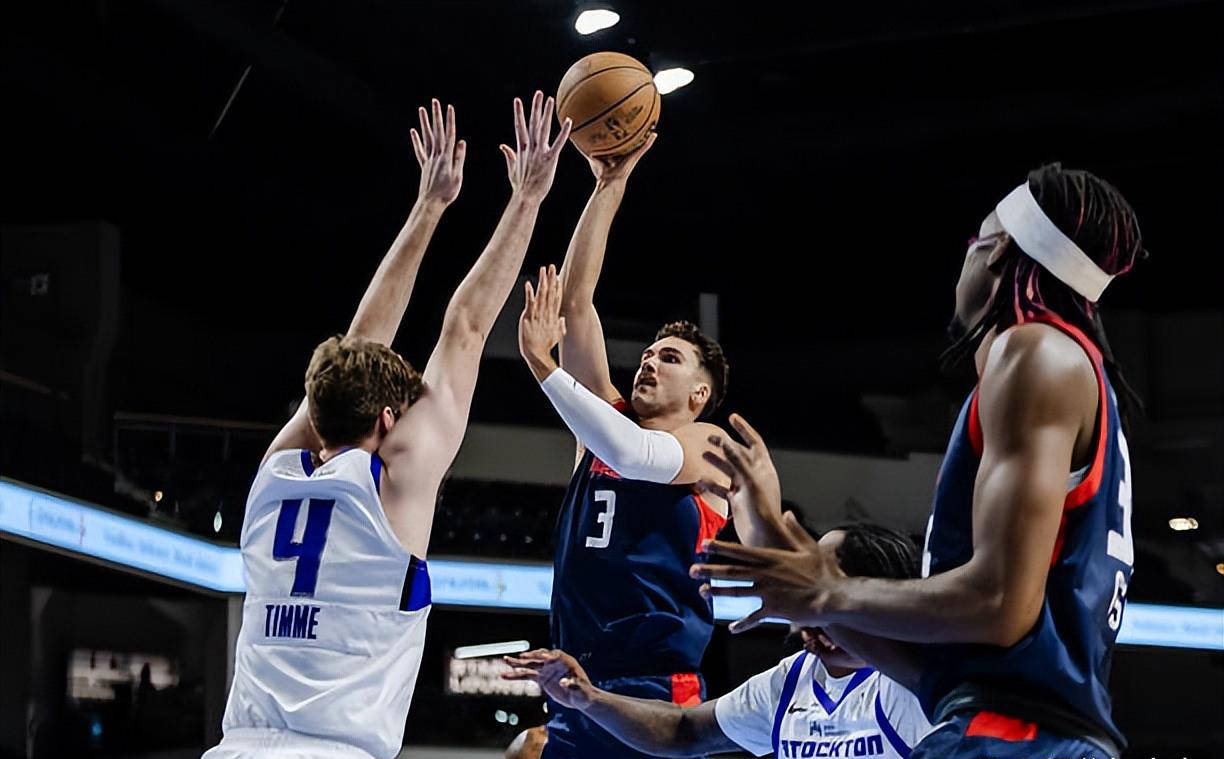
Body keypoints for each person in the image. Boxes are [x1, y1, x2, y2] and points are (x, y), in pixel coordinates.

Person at [692, 163, 1144, 759]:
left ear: (997, 249)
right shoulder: (1062, 375)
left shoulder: (1034, 351)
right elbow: (932, 676)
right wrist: (783, 551)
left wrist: (831, 591)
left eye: (973, 241)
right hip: (1018, 730)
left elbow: (1000, 606)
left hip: (1019, 739)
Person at [204, 93, 572, 759]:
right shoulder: (392, 484)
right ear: (387, 419)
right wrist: (528, 198)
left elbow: (356, 345)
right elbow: (465, 328)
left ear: (316, 409)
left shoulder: (274, 474)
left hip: (237, 745)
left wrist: (428, 205)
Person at [514, 137, 735, 759]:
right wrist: (608, 185)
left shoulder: (709, 444)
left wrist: (543, 365)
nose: (649, 362)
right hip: (574, 680)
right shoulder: (604, 425)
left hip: (655, 690)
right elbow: (577, 304)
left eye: (670, 358)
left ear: (700, 393)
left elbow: (637, 456)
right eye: (648, 353)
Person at [503, 523, 932, 758]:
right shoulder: (791, 680)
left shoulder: (913, 682)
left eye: (816, 581)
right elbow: (683, 730)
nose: (801, 591)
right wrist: (591, 699)